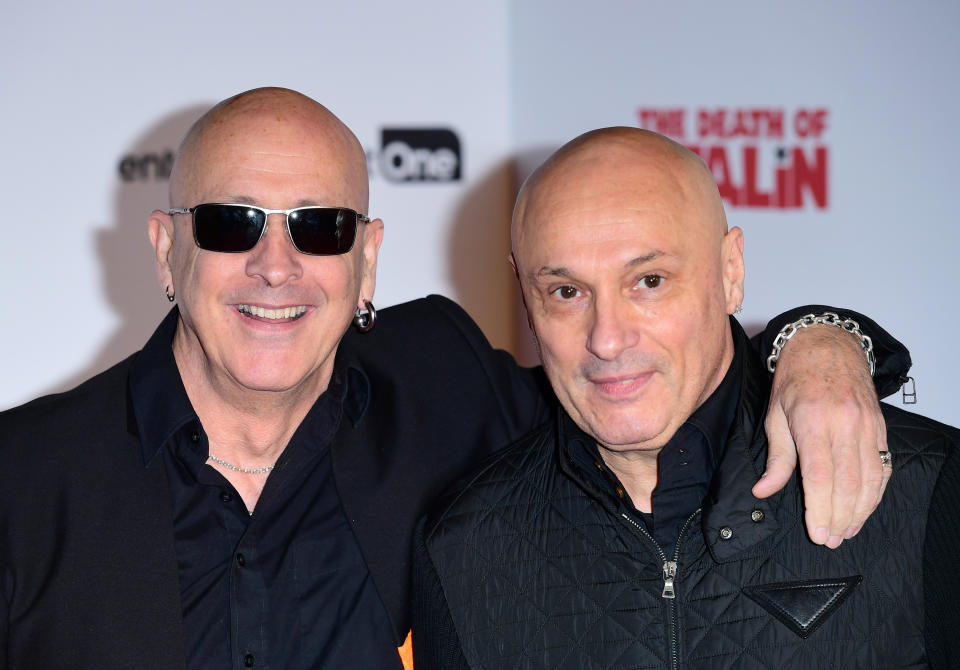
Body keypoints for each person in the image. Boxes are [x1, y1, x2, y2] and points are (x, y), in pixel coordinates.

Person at [0, 90, 909, 670]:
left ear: (367, 259)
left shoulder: (445, 385)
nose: (274, 266)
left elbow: (642, 381)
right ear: (168, 249)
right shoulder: (25, 478)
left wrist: (816, 339)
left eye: (319, 227)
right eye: (234, 223)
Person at [411, 127, 959, 669]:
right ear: (526, 297)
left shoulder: (924, 485)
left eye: (649, 281)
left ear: (731, 271)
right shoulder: (466, 545)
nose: (606, 338)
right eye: (566, 292)